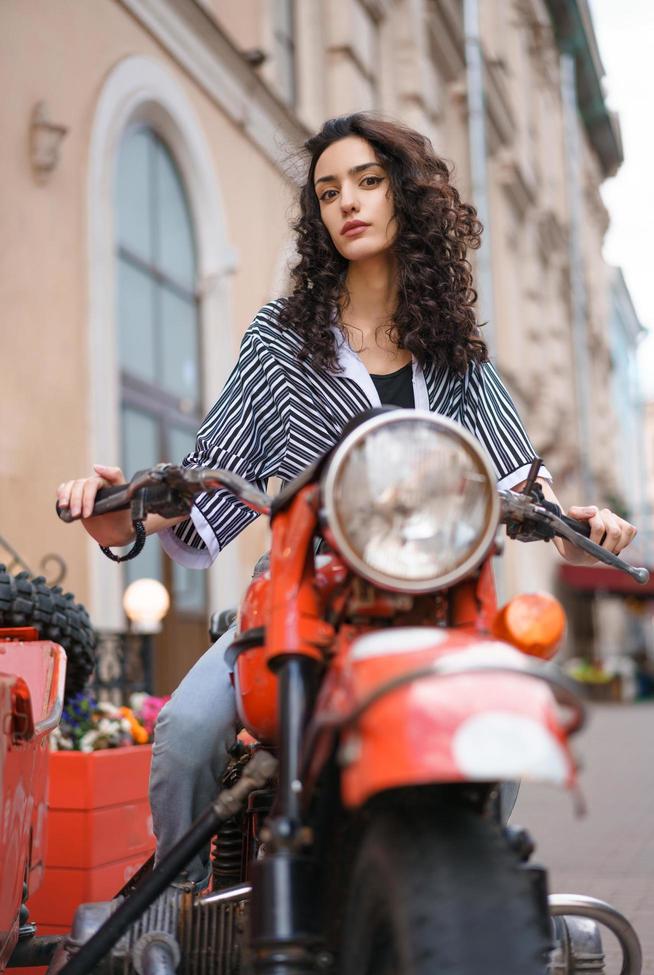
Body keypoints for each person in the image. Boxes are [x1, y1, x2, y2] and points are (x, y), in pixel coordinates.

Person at [57, 113, 636, 888]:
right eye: (329, 191)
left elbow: (519, 481)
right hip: (302, 597)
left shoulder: (455, 350)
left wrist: (577, 527)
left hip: (430, 604)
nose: (347, 204)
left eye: (367, 182)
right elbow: (207, 481)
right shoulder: (280, 338)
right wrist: (118, 512)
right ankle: (178, 916)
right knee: (188, 736)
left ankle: (473, 896)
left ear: (406, 199)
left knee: (494, 735)